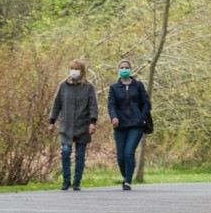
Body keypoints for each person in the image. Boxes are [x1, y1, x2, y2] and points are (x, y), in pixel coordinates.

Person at [49, 59, 98, 191]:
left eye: (77, 69)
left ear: (82, 71)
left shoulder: (89, 87)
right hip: (66, 126)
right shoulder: (63, 86)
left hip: (83, 126)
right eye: (72, 68)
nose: (74, 71)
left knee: (80, 155)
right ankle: (66, 180)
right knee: (65, 152)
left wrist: (93, 122)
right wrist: (52, 121)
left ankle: (77, 181)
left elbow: (93, 106)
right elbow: (57, 104)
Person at [107, 58, 151, 191]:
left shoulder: (138, 85)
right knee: (121, 156)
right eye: (122, 67)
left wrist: (142, 116)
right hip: (120, 125)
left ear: (130, 69)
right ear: (118, 70)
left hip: (136, 124)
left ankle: (128, 181)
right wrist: (114, 117)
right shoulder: (114, 87)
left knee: (128, 153)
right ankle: (126, 175)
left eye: (126, 67)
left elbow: (147, 103)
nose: (124, 69)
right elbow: (111, 104)